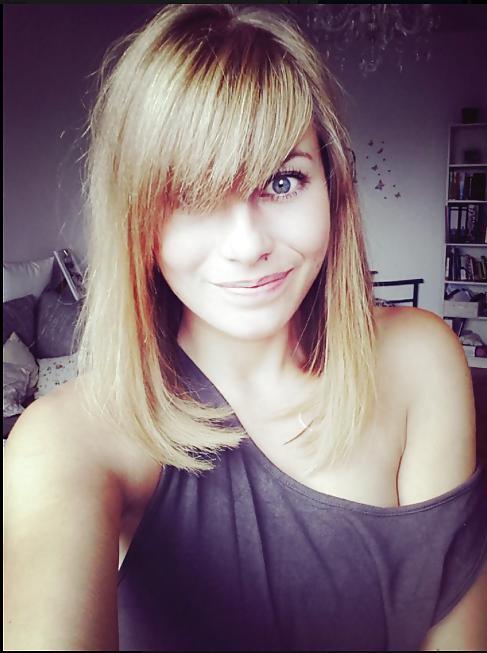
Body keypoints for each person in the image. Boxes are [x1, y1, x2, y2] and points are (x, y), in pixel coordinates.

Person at [4, 4, 487, 651]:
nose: (247, 244)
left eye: (282, 181)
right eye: (191, 194)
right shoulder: (65, 441)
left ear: (330, 185)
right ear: (135, 220)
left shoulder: (420, 359)